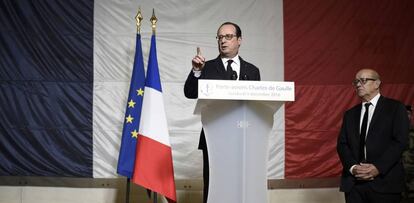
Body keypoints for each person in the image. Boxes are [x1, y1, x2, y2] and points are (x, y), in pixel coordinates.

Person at [184, 22, 260, 203]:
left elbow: (257, 105)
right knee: (214, 187)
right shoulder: (207, 67)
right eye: (219, 37)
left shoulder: (252, 70)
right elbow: (190, 92)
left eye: (228, 36)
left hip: (243, 138)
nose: (223, 41)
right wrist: (196, 71)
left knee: (241, 187)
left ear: (239, 40)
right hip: (213, 139)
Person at [336, 68, 409, 203]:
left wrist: (377, 167)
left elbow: (400, 141)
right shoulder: (350, 114)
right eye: (356, 81)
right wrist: (353, 168)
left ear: (377, 83)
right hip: (354, 185)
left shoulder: (395, 108)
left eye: (363, 80)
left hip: (385, 183)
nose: (358, 84)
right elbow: (342, 144)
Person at [402, 105, 414, 201]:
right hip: (397, 175)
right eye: (405, 114)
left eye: (409, 114)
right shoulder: (391, 131)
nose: (407, 116)